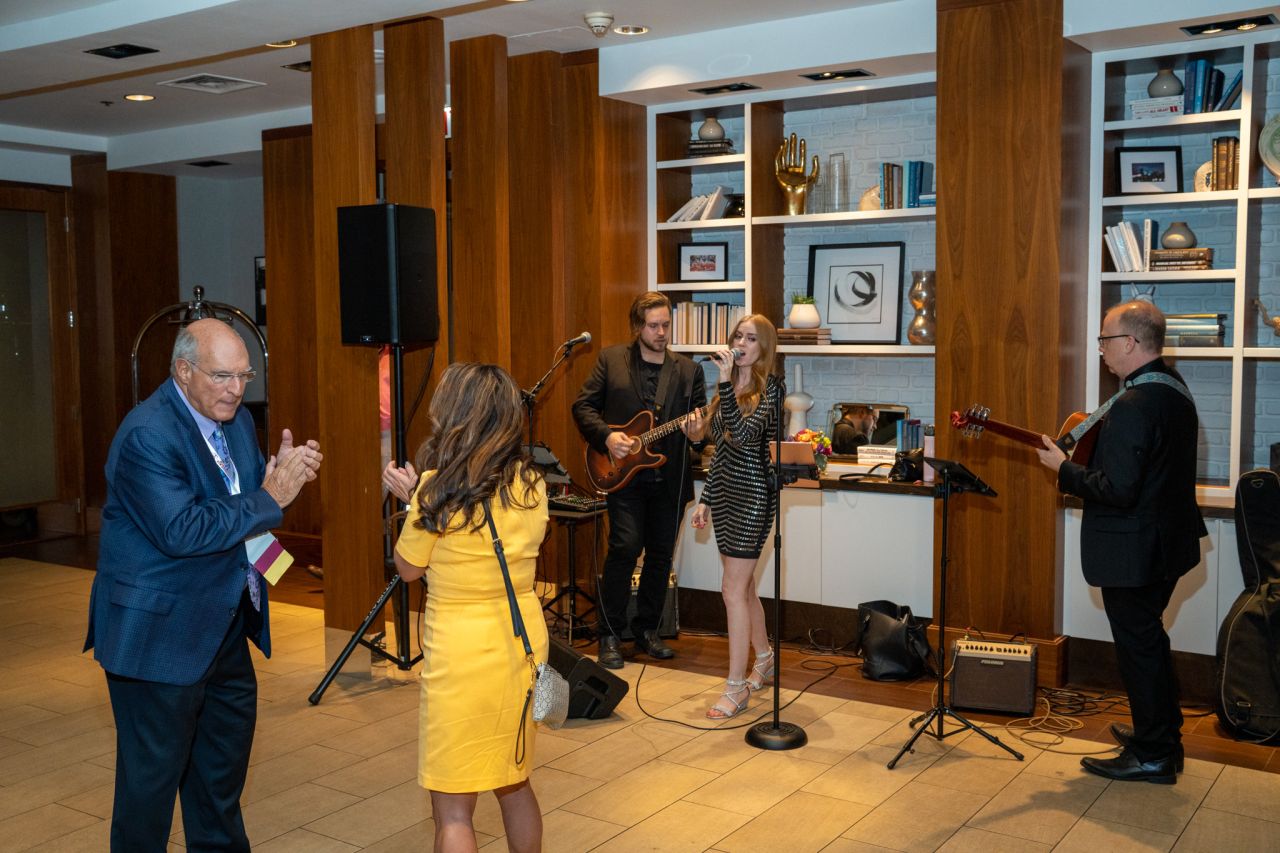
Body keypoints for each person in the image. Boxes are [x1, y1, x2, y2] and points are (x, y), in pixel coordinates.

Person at [85, 318, 322, 850]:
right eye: (222, 376)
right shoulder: (148, 434)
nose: (236, 390)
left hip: (223, 627)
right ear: (183, 370)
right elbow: (182, 529)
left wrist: (274, 481)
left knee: (218, 788)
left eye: (244, 376)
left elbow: (242, 506)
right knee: (148, 800)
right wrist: (269, 496)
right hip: (158, 640)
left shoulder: (235, 421)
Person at [1036, 300, 1205, 784]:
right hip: (1165, 544)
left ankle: (1153, 755)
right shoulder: (1172, 388)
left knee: (1140, 648)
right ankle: (1161, 738)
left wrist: (1064, 470)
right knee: (1149, 641)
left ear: (1130, 342)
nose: (1101, 350)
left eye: (1105, 340)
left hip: (1136, 549)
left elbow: (1118, 488)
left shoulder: (1134, 404)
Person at [388, 362, 548, 852]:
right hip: (520, 641)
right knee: (514, 780)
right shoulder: (531, 483)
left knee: (454, 811)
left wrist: (413, 502)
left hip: (461, 651)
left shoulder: (435, 490)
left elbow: (408, 568)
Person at [572, 291, 707, 669]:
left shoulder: (688, 370)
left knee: (661, 557)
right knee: (624, 549)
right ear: (637, 327)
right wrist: (607, 437)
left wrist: (698, 433)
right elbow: (582, 406)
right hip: (624, 478)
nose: (661, 332)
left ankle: (648, 629)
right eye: (653, 326)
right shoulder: (611, 360)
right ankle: (610, 634)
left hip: (670, 479)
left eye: (666, 325)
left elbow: (701, 428)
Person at [690, 315, 783, 719]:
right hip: (726, 497)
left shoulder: (772, 389)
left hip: (754, 499)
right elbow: (722, 450)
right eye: (738, 336)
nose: (741, 343)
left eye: (751, 338)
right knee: (744, 590)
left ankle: (736, 686)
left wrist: (726, 384)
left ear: (764, 348)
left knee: (731, 589)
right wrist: (706, 500)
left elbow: (745, 437)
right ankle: (764, 658)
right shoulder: (726, 389)